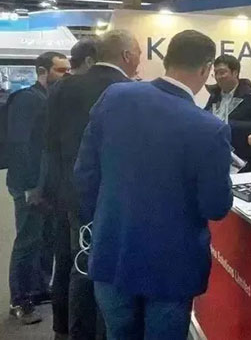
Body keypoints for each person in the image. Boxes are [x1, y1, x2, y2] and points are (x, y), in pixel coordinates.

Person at [75, 30, 231, 340]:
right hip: (171, 268)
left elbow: (85, 174)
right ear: (206, 69)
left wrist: (107, 218)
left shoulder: (115, 97)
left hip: (112, 252)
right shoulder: (209, 129)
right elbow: (215, 206)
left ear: (166, 59)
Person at [45, 29, 140, 340]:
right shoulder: (129, 92)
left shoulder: (63, 86)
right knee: (105, 270)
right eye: (138, 54)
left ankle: (66, 329)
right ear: (127, 56)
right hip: (113, 195)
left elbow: (49, 141)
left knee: (73, 261)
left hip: (68, 190)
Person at [6, 51, 70, 325]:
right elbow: (19, 144)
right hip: (29, 184)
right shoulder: (26, 100)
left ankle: (39, 288)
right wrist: (30, 185)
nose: (66, 74)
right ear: (43, 71)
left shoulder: (49, 99)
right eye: (60, 70)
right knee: (28, 242)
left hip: (48, 184)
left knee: (47, 239)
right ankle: (19, 300)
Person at [205, 54, 251, 172]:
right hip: (216, 159)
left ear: (235, 73)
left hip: (245, 161)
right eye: (215, 73)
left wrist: (226, 125)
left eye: (222, 72)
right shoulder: (214, 96)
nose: (218, 77)